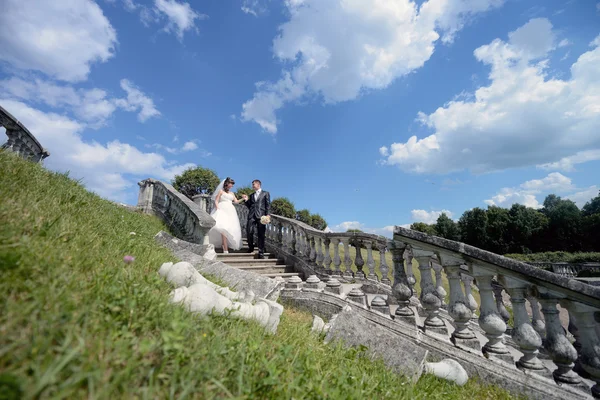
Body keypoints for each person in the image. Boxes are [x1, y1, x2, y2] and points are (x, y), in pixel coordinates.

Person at [208, 177, 244, 253]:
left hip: (231, 211)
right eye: (231, 184)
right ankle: (225, 248)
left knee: (229, 228)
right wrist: (217, 208)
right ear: (227, 184)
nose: (232, 186)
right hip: (222, 209)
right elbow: (216, 200)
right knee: (223, 228)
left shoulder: (232, 193)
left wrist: (243, 198)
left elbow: (236, 201)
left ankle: (224, 245)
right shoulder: (221, 191)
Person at [241, 179, 270, 259]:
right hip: (252, 215)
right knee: (249, 231)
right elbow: (250, 206)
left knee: (261, 234)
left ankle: (261, 252)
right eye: (252, 184)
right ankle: (251, 247)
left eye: (253, 184)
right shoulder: (252, 195)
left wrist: (268, 215)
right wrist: (246, 200)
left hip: (261, 216)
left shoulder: (265, 193)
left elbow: (267, 205)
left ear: (258, 184)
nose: (252, 186)